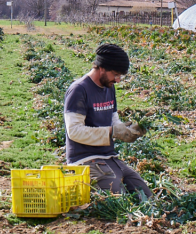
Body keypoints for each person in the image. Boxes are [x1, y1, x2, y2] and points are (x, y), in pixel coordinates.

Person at [64, 43, 154, 198]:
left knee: (146, 197)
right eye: (116, 74)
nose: (118, 80)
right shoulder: (79, 90)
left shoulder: (109, 87)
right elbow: (74, 132)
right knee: (118, 201)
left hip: (109, 158)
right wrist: (112, 132)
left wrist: (129, 129)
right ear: (102, 68)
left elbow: (113, 119)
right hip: (85, 160)